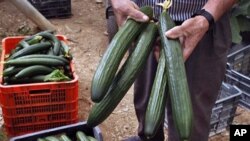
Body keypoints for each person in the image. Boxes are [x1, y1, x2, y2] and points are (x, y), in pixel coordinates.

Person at [106, 0, 237, 141]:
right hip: (142, 20)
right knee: (146, 112)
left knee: (190, 128)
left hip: (204, 23)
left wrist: (206, 17)